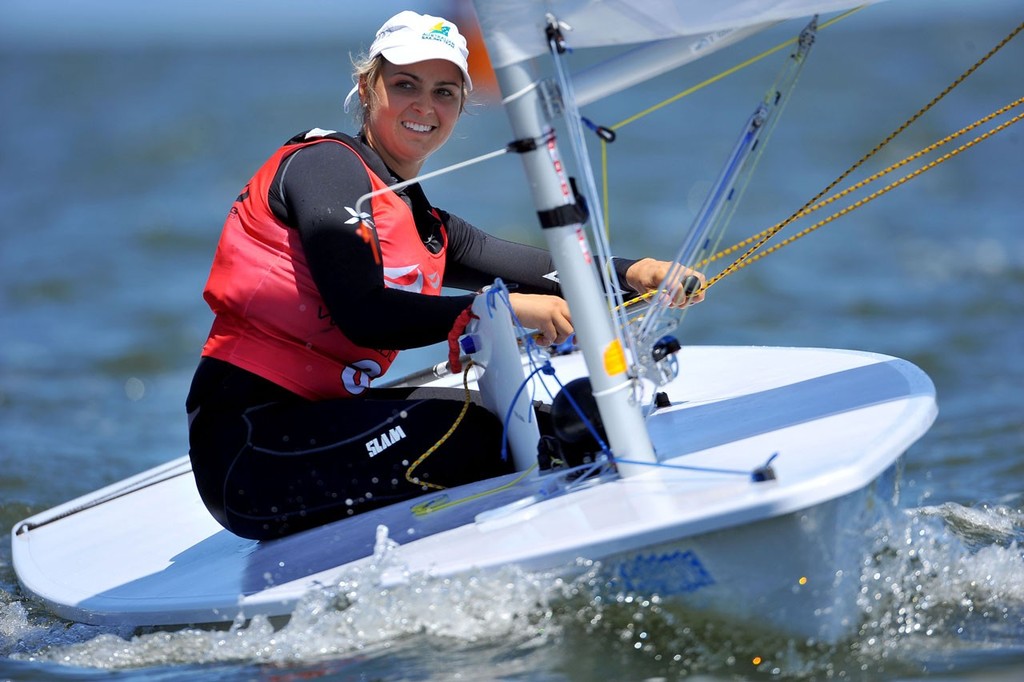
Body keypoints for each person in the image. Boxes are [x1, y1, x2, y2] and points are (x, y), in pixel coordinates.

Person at [186, 10, 704, 541]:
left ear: (460, 105)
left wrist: (637, 272)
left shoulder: (423, 222)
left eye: (445, 92)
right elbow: (365, 313)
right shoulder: (325, 166)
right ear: (367, 88)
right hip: (249, 451)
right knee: (484, 435)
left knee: (553, 419)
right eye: (405, 85)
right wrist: (490, 310)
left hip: (321, 421)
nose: (424, 107)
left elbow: (538, 270)